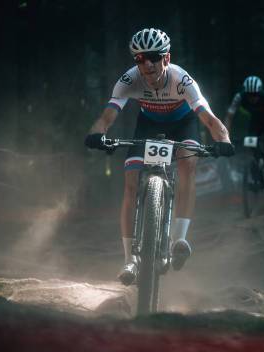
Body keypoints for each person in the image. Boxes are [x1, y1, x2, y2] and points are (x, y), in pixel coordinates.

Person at [85, 28, 234, 284]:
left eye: (154, 57)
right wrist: (96, 134)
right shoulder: (129, 80)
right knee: (131, 182)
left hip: (183, 123)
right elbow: (107, 116)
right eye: (140, 58)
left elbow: (209, 119)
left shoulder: (182, 80)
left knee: (188, 163)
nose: (147, 63)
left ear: (166, 58)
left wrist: (224, 140)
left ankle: (180, 238)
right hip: (149, 126)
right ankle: (129, 260)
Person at [224, 76, 264, 181]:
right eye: (249, 95)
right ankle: (259, 161)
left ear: (260, 92)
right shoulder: (239, 97)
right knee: (250, 142)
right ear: (245, 93)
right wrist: (225, 135)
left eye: (255, 95)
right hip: (256, 122)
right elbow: (229, 116)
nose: (252, 98)